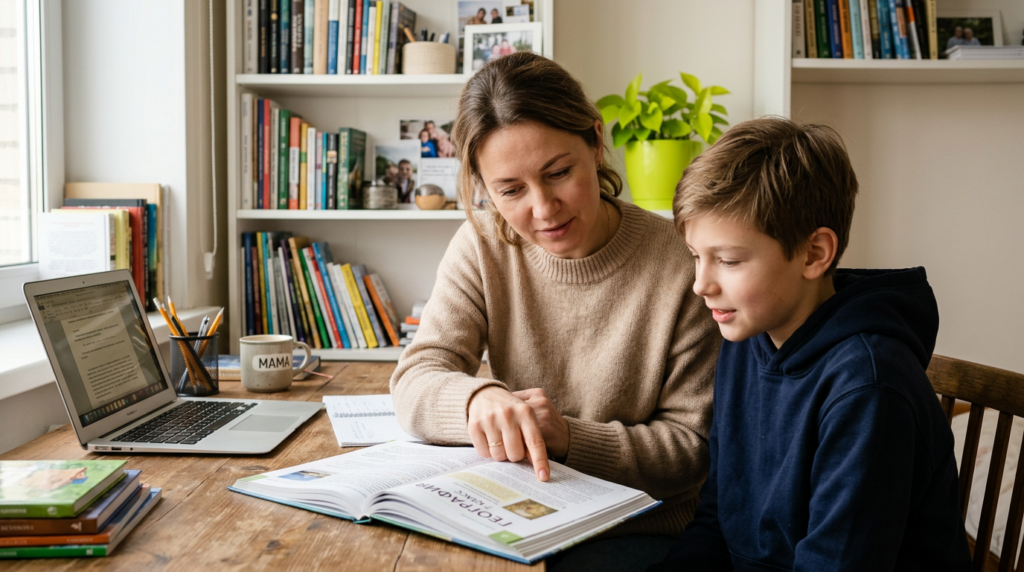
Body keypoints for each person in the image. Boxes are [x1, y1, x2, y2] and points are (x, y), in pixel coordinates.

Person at [390, 51, 720, 571]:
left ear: (594, 141)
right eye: (510, 190)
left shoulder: (681, 263)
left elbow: (691, 449)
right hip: (518, 514)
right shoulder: (482, 244)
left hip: (640, 529)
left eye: (559, 173)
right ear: (483, 186)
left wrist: (568, 437)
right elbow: (417, 377)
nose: (543, 210)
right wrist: (478, 399)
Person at [649, 118, 971, 571]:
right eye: (696, 257)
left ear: (815, 253)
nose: (701, 285)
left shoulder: (869, 389)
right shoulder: (747, 335)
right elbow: (716, 519)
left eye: (728, 260)